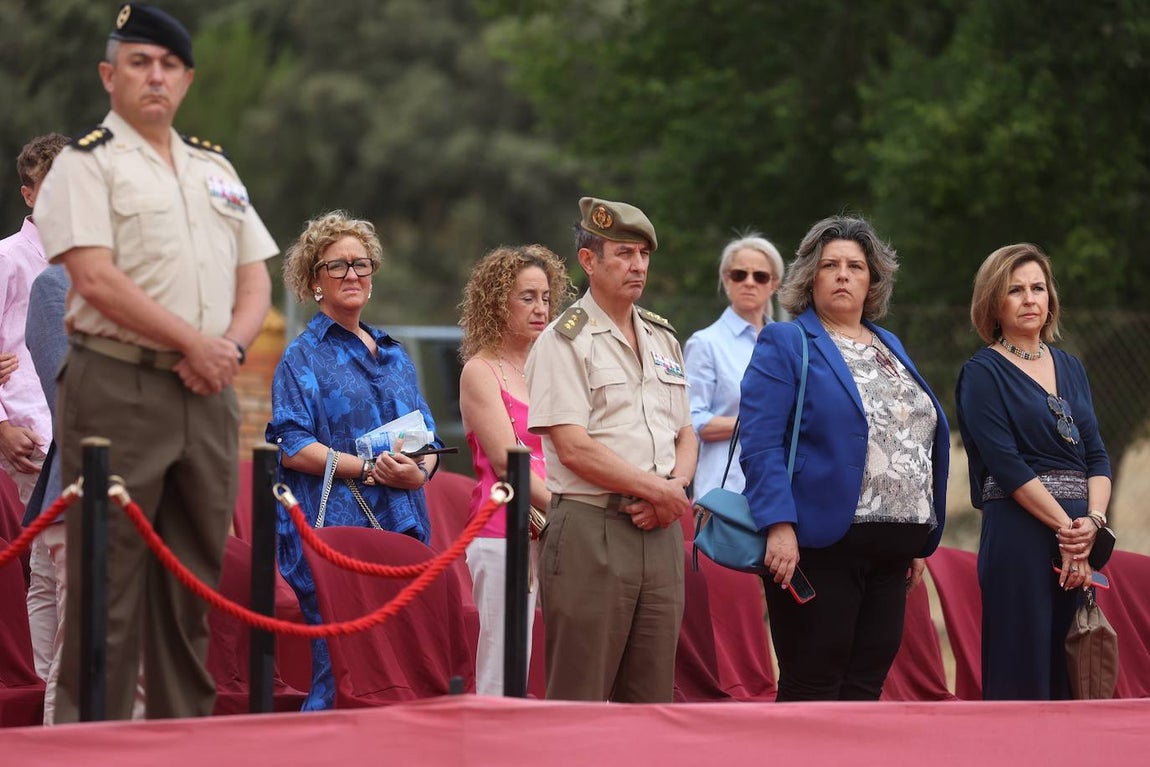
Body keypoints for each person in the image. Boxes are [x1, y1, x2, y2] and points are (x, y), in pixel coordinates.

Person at [33, 4, 278, 721]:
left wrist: (226, 348)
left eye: (169, 65)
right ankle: (92, 742)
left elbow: (255, 274)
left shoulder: (214, 165)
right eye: (139, 62)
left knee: (192, 583)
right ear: (109, 75)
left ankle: (182, 740)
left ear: (188, 79)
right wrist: (193, 344)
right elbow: (95, 277)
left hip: (207, 391)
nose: (155, 76)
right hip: (118, 381)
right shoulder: (85, 164)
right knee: (105, 585)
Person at [739, 215, 949, 702]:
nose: (842, 274)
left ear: (872, 279)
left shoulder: (889, 345)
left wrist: (917, 536)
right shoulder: (788, 341)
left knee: (865, 689)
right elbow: (761, 440)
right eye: (830, 264)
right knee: (813, 687)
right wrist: (778, 524)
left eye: (856, 266)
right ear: (810, 275)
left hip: (894, 549)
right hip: (818, 545)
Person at [267, 210, 443, 710]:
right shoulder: (302, 357)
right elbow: (293, 445)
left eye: (361, 265)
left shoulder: (395, 353)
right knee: (340, 668)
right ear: (313, 280)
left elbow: (426, 439)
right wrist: (366, 469)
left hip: (402, 524)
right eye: (337, 266)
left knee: (395, 667)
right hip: (336, 532)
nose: (352, 275)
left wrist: (418, 471)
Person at [526, 196, 696, 702]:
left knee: (652, 701)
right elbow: (574, 448)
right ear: (588, 261)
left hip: (660, 530)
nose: (637, 266)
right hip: (590, 530)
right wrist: (658, 491)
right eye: (623, 253)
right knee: (579, 697)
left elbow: (684, 432)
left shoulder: (663, 338)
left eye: (644, 255)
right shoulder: (565, 340)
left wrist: (674, 489)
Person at [956, 244, 1110, 700]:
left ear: (1050, 298)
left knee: (1072, 672)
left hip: (1079, 536)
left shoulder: (1072, 367)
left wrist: (1093, 526)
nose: (1029, 299)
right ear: (992, 303)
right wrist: (1070, 533)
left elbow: (1097, 457)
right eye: (1015, 290)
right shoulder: (981, 373)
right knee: (1021, 672)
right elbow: (1008, 467)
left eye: (1038, 288)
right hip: (1020, 538)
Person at [457, 244, 573, 695]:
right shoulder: (480, 370)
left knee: (577, 654)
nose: (541, 308)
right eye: (527, 297)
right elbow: (509, 460)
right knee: (502, 668)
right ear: (496, 301)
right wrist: (575, 508)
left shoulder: (555, 365)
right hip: (506, 528)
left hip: (563, 524)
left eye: (546, 297)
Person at [684, 233, 785, 498]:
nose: (749, 282)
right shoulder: (705, 343)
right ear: (727, 280)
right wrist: (758, 422)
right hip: (724, 492)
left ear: (774, 283)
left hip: (780, 490)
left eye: (760, 276)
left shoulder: (789, 345)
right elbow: (693, 421)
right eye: (740, 274)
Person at [1, 134, 68, 509]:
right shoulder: (7, 258)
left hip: (76, 436)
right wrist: (2, 430)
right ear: (29, 195)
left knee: (56, 559)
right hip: (29, 439)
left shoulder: (91, 264)